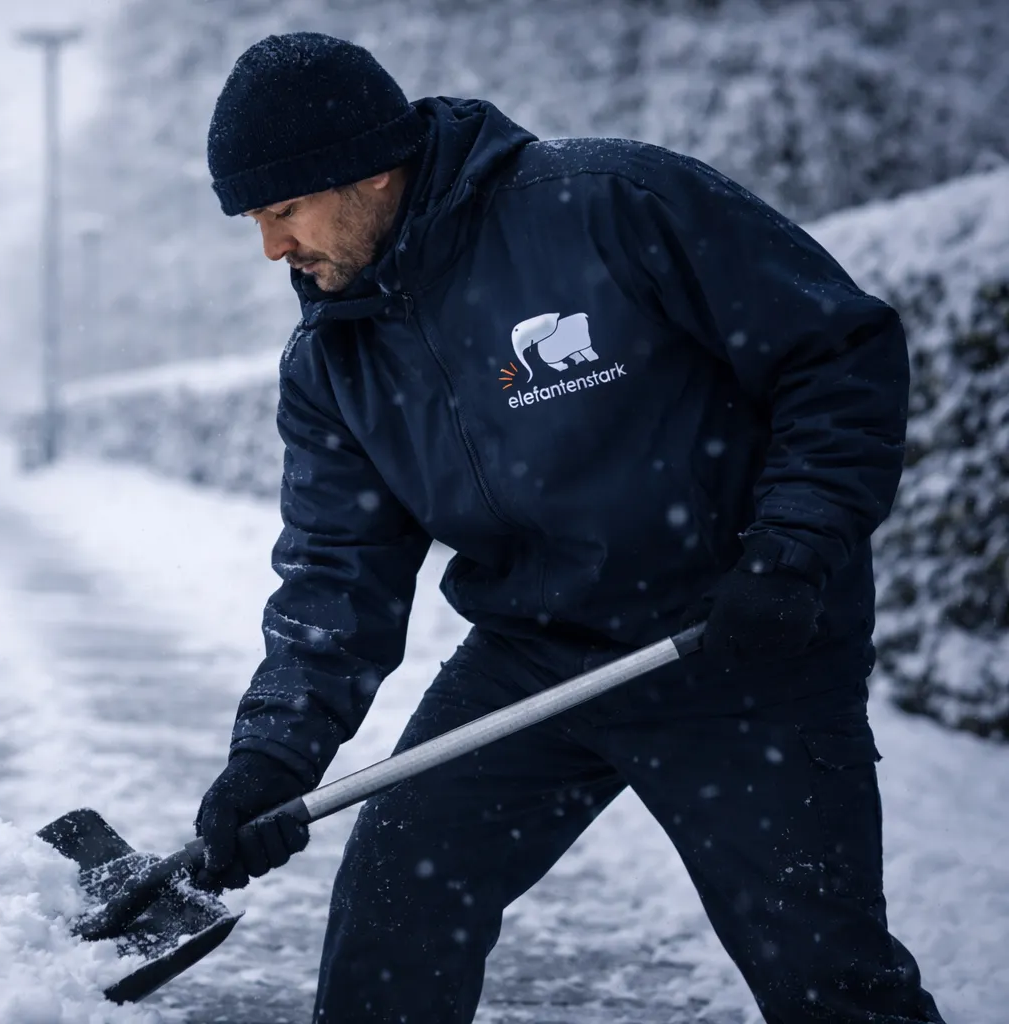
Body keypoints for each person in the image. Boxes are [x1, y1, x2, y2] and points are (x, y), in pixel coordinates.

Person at [189, 31, 945, 1024]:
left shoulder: (610, 204)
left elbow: (837, 354)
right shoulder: (335, 359)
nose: (272, 248)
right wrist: (270, 763)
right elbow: (338, 571)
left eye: (283, 211)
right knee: (396, 903)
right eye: (255, 220)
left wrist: (791, 550)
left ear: (370, 174)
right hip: (535, 656)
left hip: (738, 640)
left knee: (826, 978)